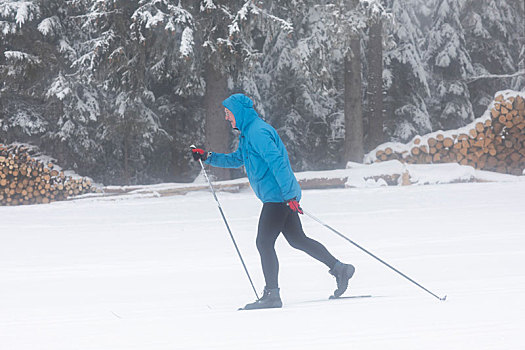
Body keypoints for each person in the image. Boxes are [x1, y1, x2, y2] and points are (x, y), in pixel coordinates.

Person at [191, 93, 355, 310]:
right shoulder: (249, 133)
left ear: (238, 113)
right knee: (297, 239)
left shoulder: (258, 132)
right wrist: (208, 156)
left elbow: (278, 163)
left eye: (228, 113)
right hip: (279, 195)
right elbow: (238, 158)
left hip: (279, 197)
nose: (227, 118)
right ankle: (339, 268)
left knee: (264, 242)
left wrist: (289, 196)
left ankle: (272, 295)